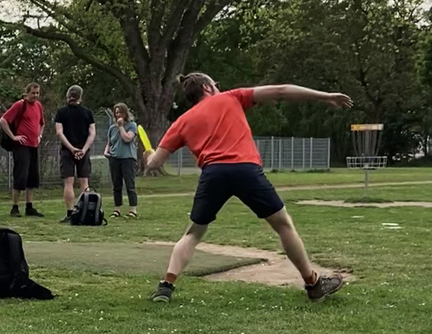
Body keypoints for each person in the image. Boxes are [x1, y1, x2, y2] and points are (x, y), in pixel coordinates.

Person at [146, 73, 352, 303]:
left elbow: (154, 163)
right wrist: (326, 97)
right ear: (207, 87)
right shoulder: (231, 97)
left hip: (213, 174)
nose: (219, 88)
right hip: (245, 170)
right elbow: (281, 91)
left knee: (193, 233)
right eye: (216, 84)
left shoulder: (182, 122)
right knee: (283, 225)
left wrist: (149, 155)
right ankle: (313, 284)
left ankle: (166, 286)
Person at [0, 83, 45, 218]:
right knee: (21, 175)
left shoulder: (38, 106)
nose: (35, 95)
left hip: (33, 145)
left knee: (32, 176)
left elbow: (42, 123)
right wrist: (13, 137)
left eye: (37, 93)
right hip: (21, 146)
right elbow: (3, 120)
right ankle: (15, 207)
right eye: (33, 93)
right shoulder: (20, 105)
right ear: (27, 93)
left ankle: (29, 206)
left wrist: (39, 135)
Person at [54, 85, 96, 222]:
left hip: (67, 151)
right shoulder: (87, 113)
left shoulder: (61, 113)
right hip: (83, 151)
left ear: (68, 96)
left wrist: (72, 148)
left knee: (68, 182)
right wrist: (83, 149)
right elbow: (92, 133)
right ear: (80, 97)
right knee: (84, 181)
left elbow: (59, 132)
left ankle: (70, 213)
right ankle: (86, 213)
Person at [104, 103, 139, 219]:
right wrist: (106, 151)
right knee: (116, 185)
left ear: (125, 113)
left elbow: (127, 138)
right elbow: (110, 142)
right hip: (114, 158)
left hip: (127, 158)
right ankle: (117, 209)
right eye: (116, 113)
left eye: (120, 112)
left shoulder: (132, 125)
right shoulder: (112, 128)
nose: (118, 115)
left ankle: (133, 209)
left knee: (130, 184)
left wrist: (121, 127)